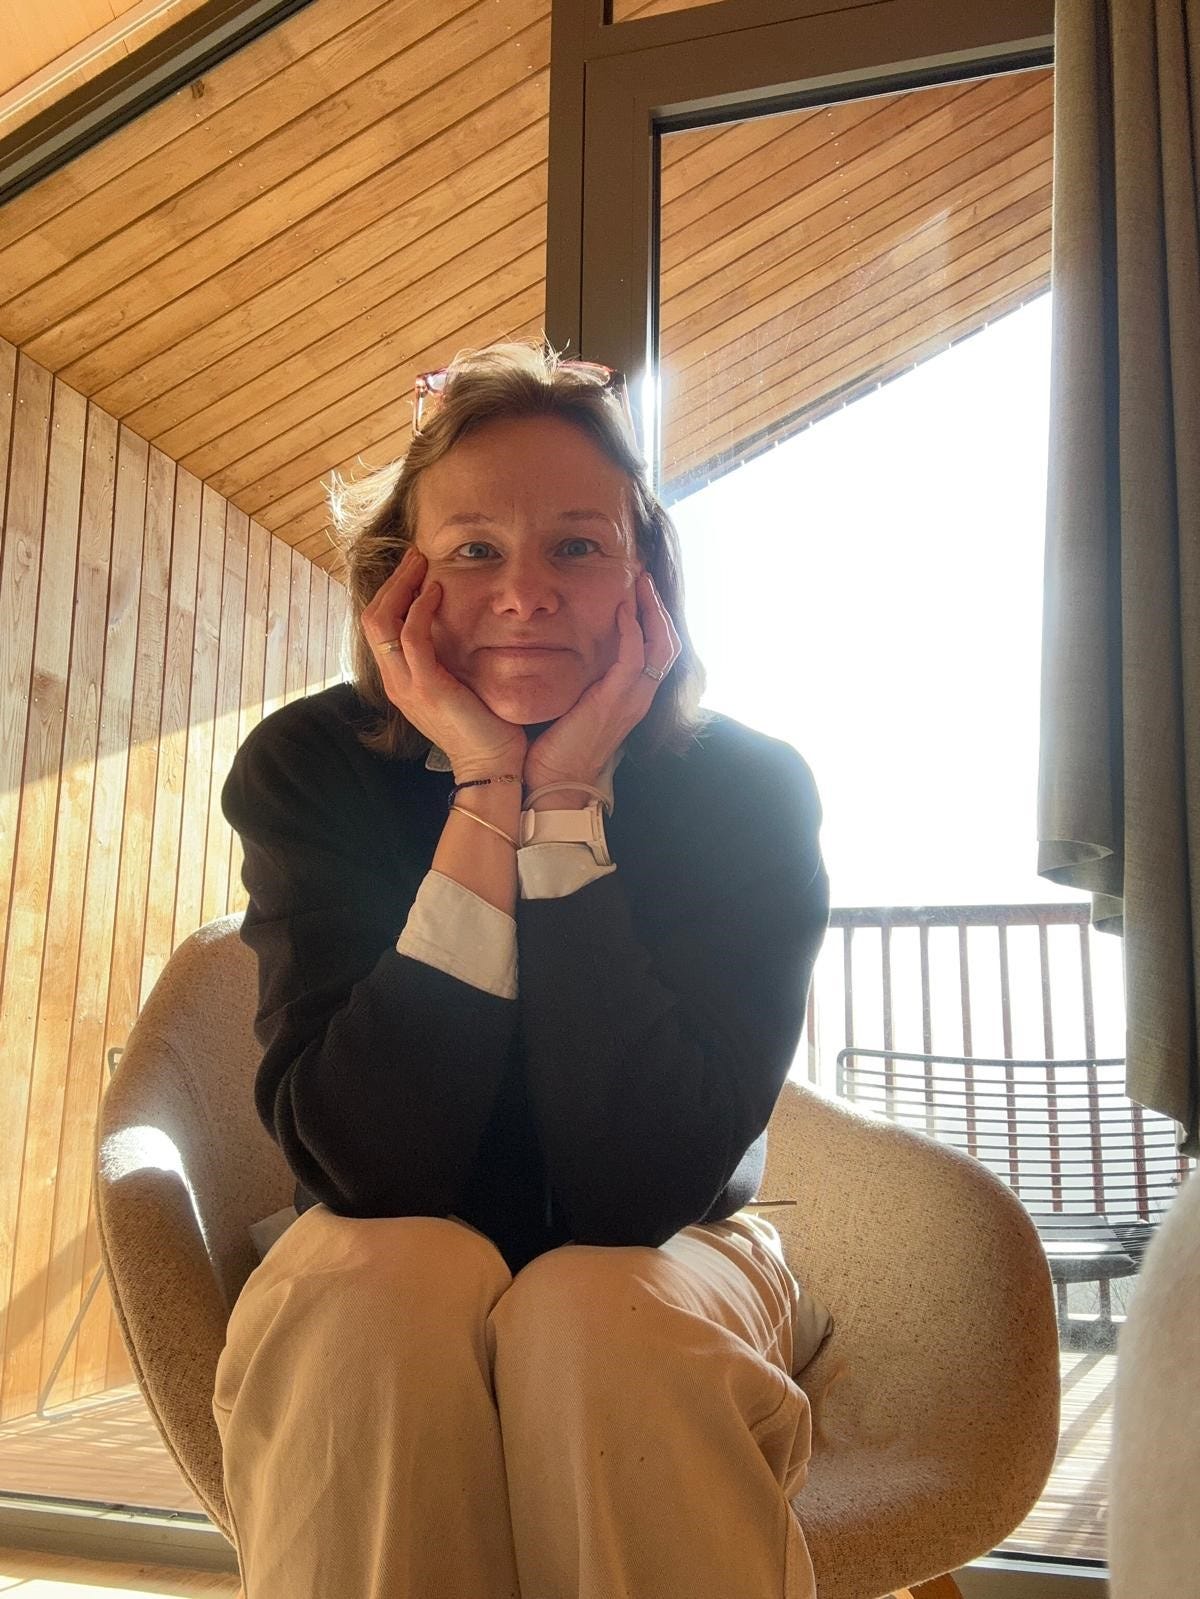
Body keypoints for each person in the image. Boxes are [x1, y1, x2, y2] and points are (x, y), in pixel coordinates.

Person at [212, 340, 832, 1599]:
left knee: (601, 1313)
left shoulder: (749, 790)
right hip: (377, 1250)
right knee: (382, 1292)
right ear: (402, 586)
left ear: (644, 580)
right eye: (476, 550)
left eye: (578, 546)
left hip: (682, 1253)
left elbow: (640, 1189)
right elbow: (369, 1172)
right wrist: (487, 792)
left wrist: (565, 806)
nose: (526, 594)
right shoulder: (310, 769)